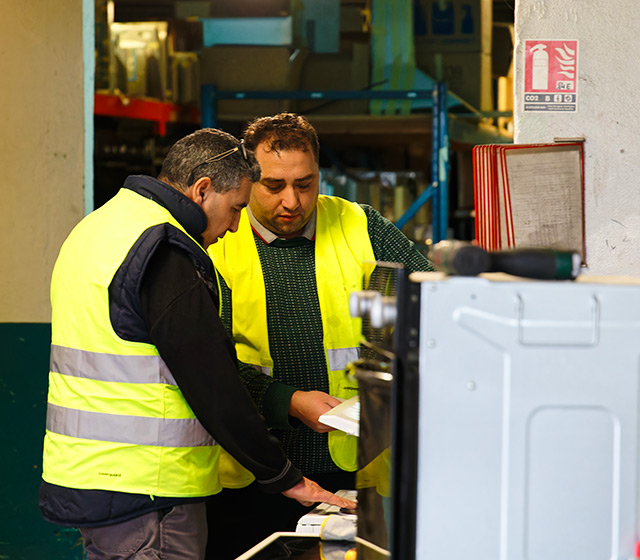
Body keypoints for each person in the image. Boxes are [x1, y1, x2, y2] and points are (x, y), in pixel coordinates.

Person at [38, 128, 356, 560]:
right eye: (235, 207)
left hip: (88, 476)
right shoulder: (164, 248)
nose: (236, 225)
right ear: (203, 189)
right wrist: (283, 476)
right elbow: (213, 382)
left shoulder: (100, 227)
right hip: (150, 491)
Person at [206, 113, 435, 558]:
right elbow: (204, 362)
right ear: (246, 180)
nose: (292, 200)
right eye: (274, 186)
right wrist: (286, 401)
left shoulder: (360, 227)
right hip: (254, 470)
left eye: (305, 184)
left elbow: (426, 305)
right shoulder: (217, 240)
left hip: (347, 467)